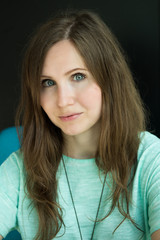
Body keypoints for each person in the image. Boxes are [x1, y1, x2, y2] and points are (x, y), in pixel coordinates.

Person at [0, 9, 160, 240]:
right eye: (48, 82)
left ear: (109, 80)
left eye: (77, 76)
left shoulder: (150, 158)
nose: (63, 100)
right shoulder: (20, 169)